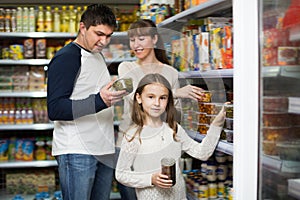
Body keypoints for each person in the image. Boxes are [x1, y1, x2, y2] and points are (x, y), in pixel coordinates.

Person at [115, 19, 206, 199]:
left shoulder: (170, 71)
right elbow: (133, 95)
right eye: (132, 40)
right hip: (132, 142)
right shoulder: (125, 67)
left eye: (141, 39)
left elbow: (174, 113)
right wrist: (177, 92)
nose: (136, 45)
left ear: (154, 39)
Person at [47, 4, 127, 200]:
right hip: (77, 151)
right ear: (83, 27)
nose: (104, 41)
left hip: (104, 148)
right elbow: (55, 109)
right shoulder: (67, 57)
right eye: (99, 34)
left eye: (108, 36)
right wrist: (99, 100)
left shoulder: (97, 55)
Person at [115, 73, 226, 200]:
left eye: (162, 98)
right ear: (139, 98)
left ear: (168, 101)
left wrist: (218, 122)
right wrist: (150, 179)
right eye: (151, 97)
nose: (157, 103)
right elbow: (121, 174)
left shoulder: (174, 129)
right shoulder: (133, 136)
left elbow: (202, 153)